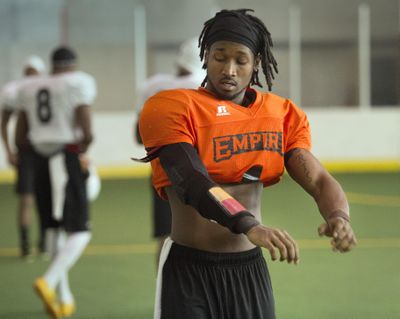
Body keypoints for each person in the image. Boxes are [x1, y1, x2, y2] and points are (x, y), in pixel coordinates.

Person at [137, 9, 357, 319]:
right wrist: (250, 226)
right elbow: (192, 181)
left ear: (256, 63)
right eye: (219, 56)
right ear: (205, 57)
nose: (229, 69)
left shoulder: (279, 114)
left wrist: (338, 215)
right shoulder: (173, 107)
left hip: (249, 267)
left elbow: (317, 178)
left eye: (240, 60)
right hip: (188, 268)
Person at [16, 46, 96, 319]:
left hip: (39, 159)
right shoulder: (77, 83)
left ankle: (63, 296)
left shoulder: (30, 87)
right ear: (72, 65)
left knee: (53, 230)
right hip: (66, 156)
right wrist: (82, 150)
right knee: (81, 231)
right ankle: (48, 282)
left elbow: (21, 137)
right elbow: (86, 129)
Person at [135, 37, 205, 264]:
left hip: (162, 171)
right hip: (201, 169)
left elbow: (139, 136)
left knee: (167, 237)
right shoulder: (205, 87)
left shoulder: (153, 87)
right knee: (206, 236)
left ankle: (163, 295)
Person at [0, 55, 46, 258]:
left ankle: (45, 241)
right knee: (28, 199)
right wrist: (9, 151)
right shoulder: (16, 92)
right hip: (27, 152)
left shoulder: (42, 90)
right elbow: (4, 122)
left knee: (46, 199)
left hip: (44, 149)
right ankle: (26, 245)